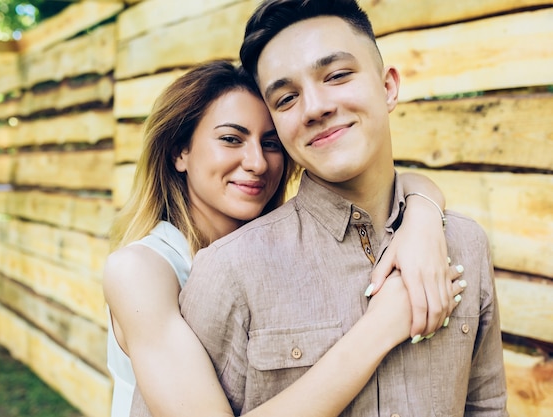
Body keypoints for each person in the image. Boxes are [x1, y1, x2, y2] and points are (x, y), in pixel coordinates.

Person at [179, 1, 508, 416]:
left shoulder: (465, 245)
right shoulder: (229, 272)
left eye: (336, 75)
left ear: (388, 87)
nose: (315, 107)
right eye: (285, 99)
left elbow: (487, 408)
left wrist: (424, 211)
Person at [105, 61, 464, 417]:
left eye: (271, 143)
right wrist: (380, 327)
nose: (257, 162)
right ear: (179, 152)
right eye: (232, 139)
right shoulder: (139, 270)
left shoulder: (273, 253)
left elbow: (404, 183)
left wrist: (423, 216)